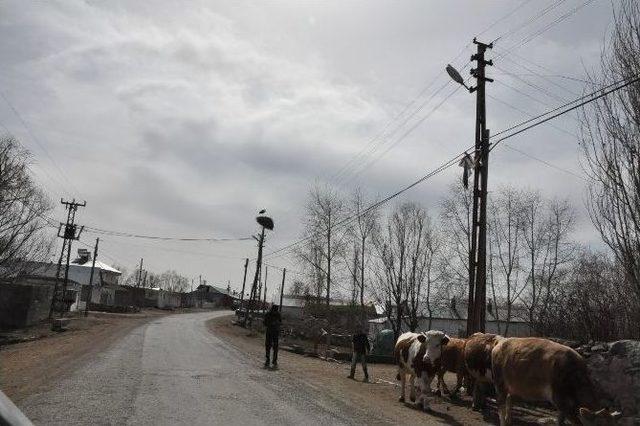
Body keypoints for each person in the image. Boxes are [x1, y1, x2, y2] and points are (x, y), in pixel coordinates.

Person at [263, 305, 281, 369]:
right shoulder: (278, 314)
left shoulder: (268, 314)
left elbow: (264, 323)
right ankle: (274, 362)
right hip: (275, 333)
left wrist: (270, 324)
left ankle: (268, 361)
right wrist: (275, 324)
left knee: (268, 347)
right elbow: (280, 323)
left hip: (270, 332)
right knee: (275, 348)